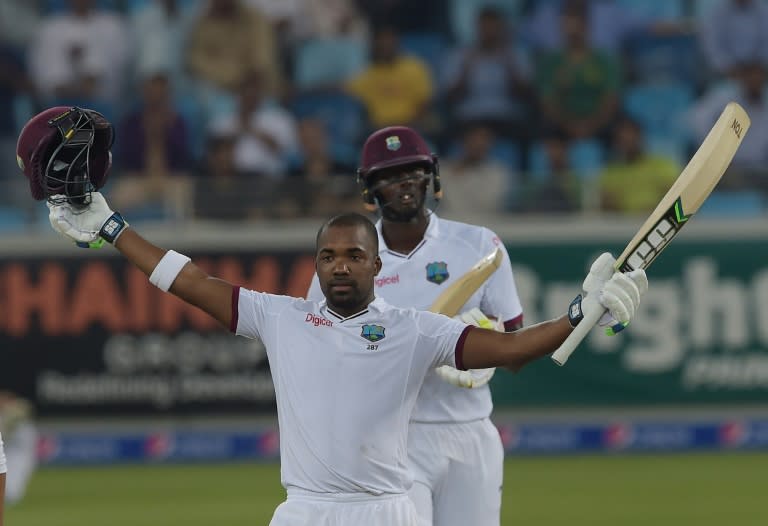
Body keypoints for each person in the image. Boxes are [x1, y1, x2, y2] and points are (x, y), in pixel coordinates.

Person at [18, 107, 648, 526]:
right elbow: (189, 280)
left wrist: (581, 312)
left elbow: (513, 350)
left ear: (377, 267)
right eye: (327, 256)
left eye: (353, 255)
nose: (340, 265)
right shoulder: (283, 317)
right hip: (304, 511)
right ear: (316, 267)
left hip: (387, 510)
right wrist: (109, 226)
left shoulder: (415, 331)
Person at [307, 125, 521, 525]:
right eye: (387, 176)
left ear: (431, 176)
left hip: (470, 430)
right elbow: (319, 353)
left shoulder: (479, 246)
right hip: (390, 439)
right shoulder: (347, 258)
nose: (403, 184)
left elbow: (514, 346)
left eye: (412, 171)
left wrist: (480, 354)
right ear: (369, 188)